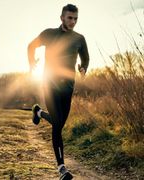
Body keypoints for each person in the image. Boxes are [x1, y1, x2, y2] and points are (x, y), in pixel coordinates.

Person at [27, 4, 89, 180]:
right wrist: (32, 62)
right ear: (62, 17)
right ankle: (62, 168)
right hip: (50, 84)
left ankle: (38, 111)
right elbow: (31, 46)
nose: (73, 21)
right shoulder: (49, 34)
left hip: (68, 87)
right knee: (57, 126)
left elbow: (86, 57)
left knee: (59, 123)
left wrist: (83, 68)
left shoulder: (79, 39)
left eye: (76, 18)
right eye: (70, 18)